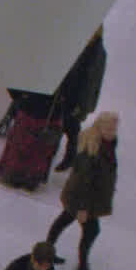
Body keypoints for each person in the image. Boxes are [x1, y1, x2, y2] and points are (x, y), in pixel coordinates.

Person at [45, 110, 119, 270]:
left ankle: (48, 250)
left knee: (63, 220)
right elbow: (83, 182)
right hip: (81, 198)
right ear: (99, 127)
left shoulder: (108, 143)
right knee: (91, 230)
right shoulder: (90, 149)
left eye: (114, 129)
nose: (112, 132)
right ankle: (83, 268)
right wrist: (83, 208)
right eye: (108, 129)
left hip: (84, 197)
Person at [50, 25, 108, 173]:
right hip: (68, 93)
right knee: (64, 126)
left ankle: (69, 157)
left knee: (70, 128)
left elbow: (91, 82)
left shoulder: (96, 53)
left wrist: (82, 105)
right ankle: (57, 156)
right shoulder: (84, 47)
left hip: (78, 99)